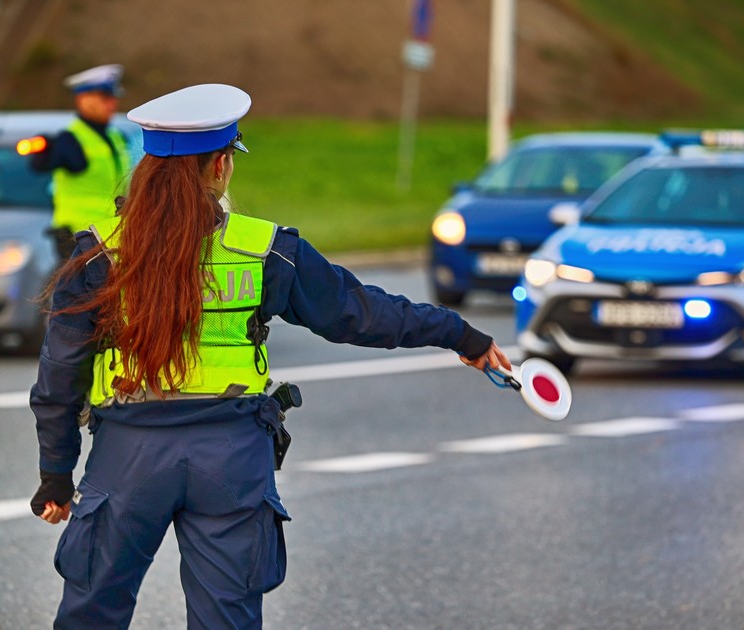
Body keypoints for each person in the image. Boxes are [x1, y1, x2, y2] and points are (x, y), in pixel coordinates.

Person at [29, 83, 512, 629]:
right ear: (219, 166)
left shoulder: (100, 251)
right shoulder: (265, 248)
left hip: (128, 456)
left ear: (146, 168)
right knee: (227, 620)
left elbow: (60, 376)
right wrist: (459, 334)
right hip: (232, 458)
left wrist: (55, 474)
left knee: (92, 613)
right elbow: (358, 313)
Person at [28, 64, 134, 260]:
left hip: (110, 233)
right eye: (104, 98)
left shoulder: (115, 137)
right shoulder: (70, 139)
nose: (111, 104)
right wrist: (47, 151)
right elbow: (39, 166)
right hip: (77, 238)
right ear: (83, 99)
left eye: (113, 97)